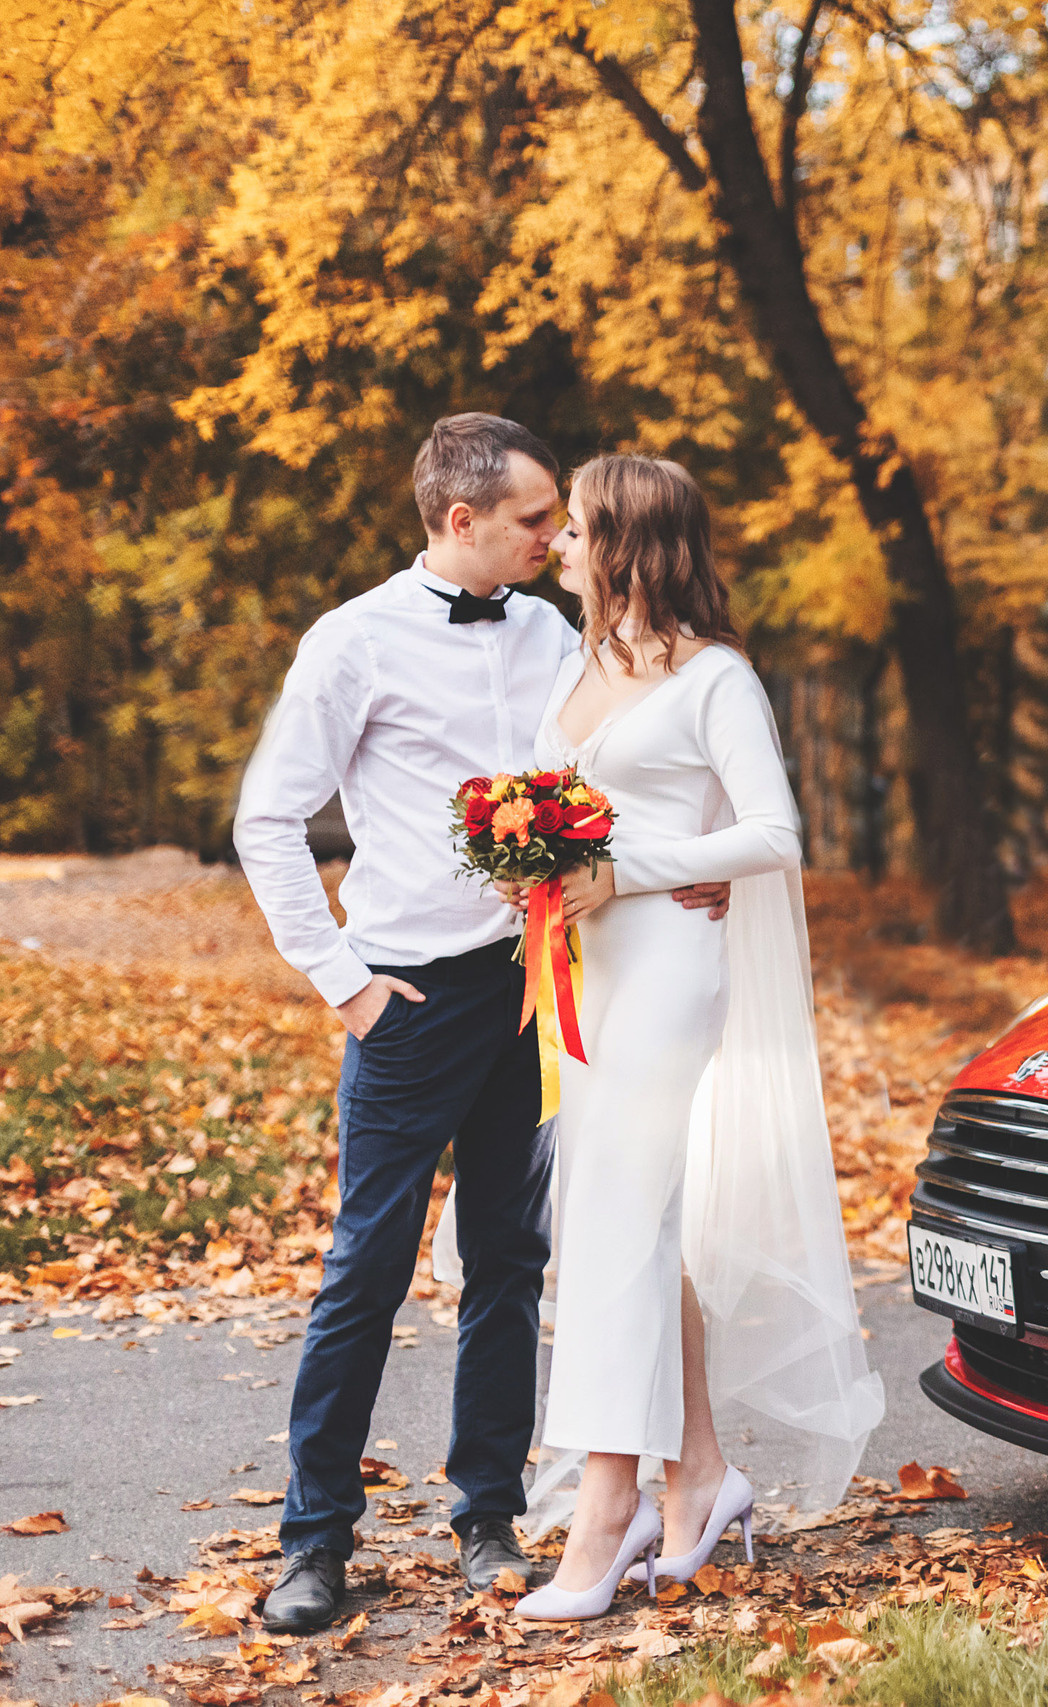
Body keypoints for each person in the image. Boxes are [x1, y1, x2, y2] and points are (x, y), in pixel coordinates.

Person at [234, 415, 733, 1634]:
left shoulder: (555, 631)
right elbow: (269, 820)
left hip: (542, 983)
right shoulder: (350, 643)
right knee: (368, 1265)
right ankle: (314, 1540)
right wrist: (341, 979)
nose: (557, 533)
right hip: (407, 999)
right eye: (532, 518)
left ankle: (487, 1515)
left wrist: (675, 865)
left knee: (510, 1260)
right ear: (460, 521)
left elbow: (600, 781)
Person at [510, 454, 881, 1620]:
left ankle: (603, 1515)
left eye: (573, 529)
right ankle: (704, 1480)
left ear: (625, 543)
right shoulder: (581, 665)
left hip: (667, 965)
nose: (558, 546)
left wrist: (633, 872)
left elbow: (773, 832)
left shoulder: (714, 677)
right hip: (581, 971)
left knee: (616, 1224)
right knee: (623, 1228)